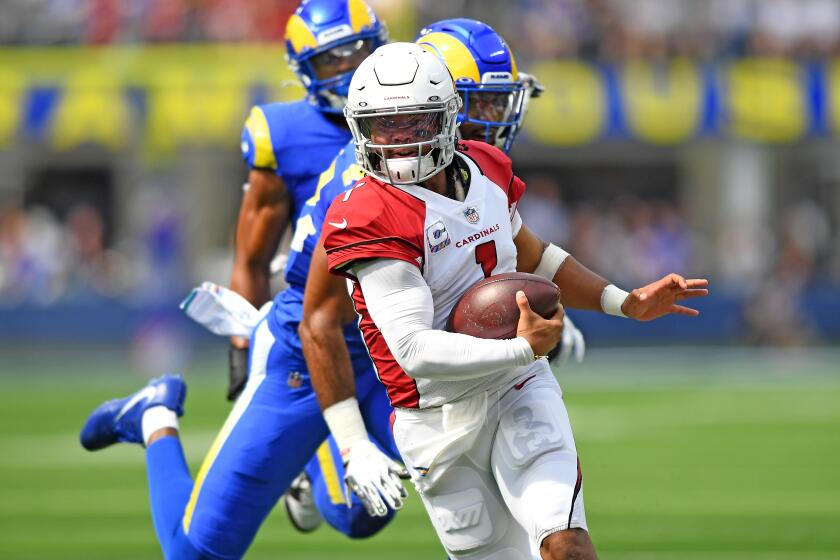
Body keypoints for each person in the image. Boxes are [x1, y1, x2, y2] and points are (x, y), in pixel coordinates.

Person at [309, 42, 709, 559]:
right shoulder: (366, 211)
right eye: (384, 127)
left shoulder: (486, 169)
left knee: (566, 546)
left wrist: (624, 301)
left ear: (448, 119)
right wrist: (523, 347)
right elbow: (413, 350)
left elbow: (535, 258)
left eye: (413, 123)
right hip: (435, 415)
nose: (399, 141)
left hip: (516, 386)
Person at [77, 2, 403, 559]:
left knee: (360, 515)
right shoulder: (287, 134)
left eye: (359, 51)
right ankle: (155, 414)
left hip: (391, 328)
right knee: (198, 550)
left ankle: (303, 463)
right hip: (314, 330)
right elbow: (252, 258)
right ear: (303, 70)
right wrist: (240, 348)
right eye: (332, 61)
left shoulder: (412, 116)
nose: (351, 71)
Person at [298, 17, 583, 524]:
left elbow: (504, 258)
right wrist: (351, 443)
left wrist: (536, 307)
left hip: (441, 356)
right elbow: (319, 320)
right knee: (349, 514)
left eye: (500, 103)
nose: (495, 119)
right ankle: (305, 461)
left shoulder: (472, 168)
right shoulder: (370, 191)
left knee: (360, 519)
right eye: (483, 103)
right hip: (344, 354)